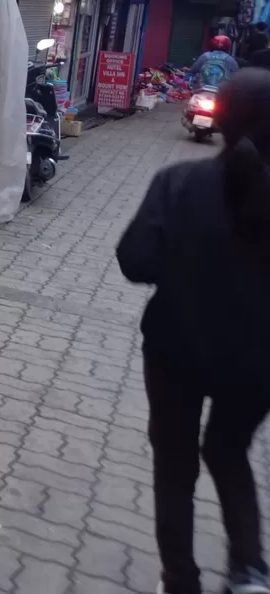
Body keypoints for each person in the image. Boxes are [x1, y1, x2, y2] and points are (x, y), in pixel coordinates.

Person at [117, 68, 270, 594]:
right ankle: (250, 572)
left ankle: (180, 581)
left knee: (175, 465)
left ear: (218, 119)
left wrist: (180, 266)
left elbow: (135, 260)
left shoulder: (178, 182)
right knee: (229, 452)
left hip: (175, 349)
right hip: (257, 362)